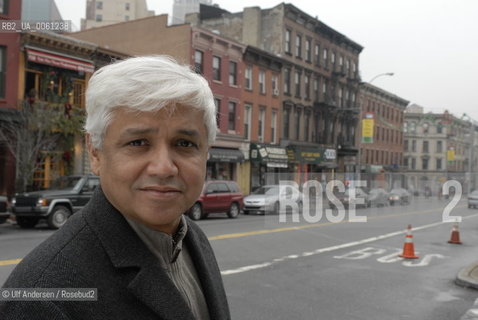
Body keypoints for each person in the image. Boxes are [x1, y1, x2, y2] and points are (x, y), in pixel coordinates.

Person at [0, 56, 230, 320]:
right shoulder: (41, 298)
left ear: (206, 153)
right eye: (138, 142)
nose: (164, 168)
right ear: (95, 153)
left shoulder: (193, 238)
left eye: (185, 144)